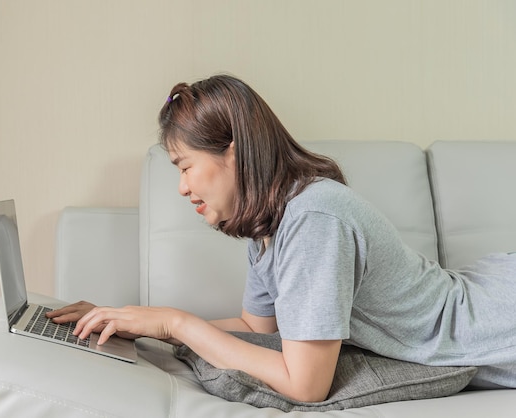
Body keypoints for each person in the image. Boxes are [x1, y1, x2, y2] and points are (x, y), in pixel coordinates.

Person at [47, 74, 516, 403]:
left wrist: (176, 325)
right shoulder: (271, 227)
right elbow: (258, 329)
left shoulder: (313, 218)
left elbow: (307, 385)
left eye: (186, 167)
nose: (182, 187)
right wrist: (140, 324)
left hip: (496, 319)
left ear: (233, 151)